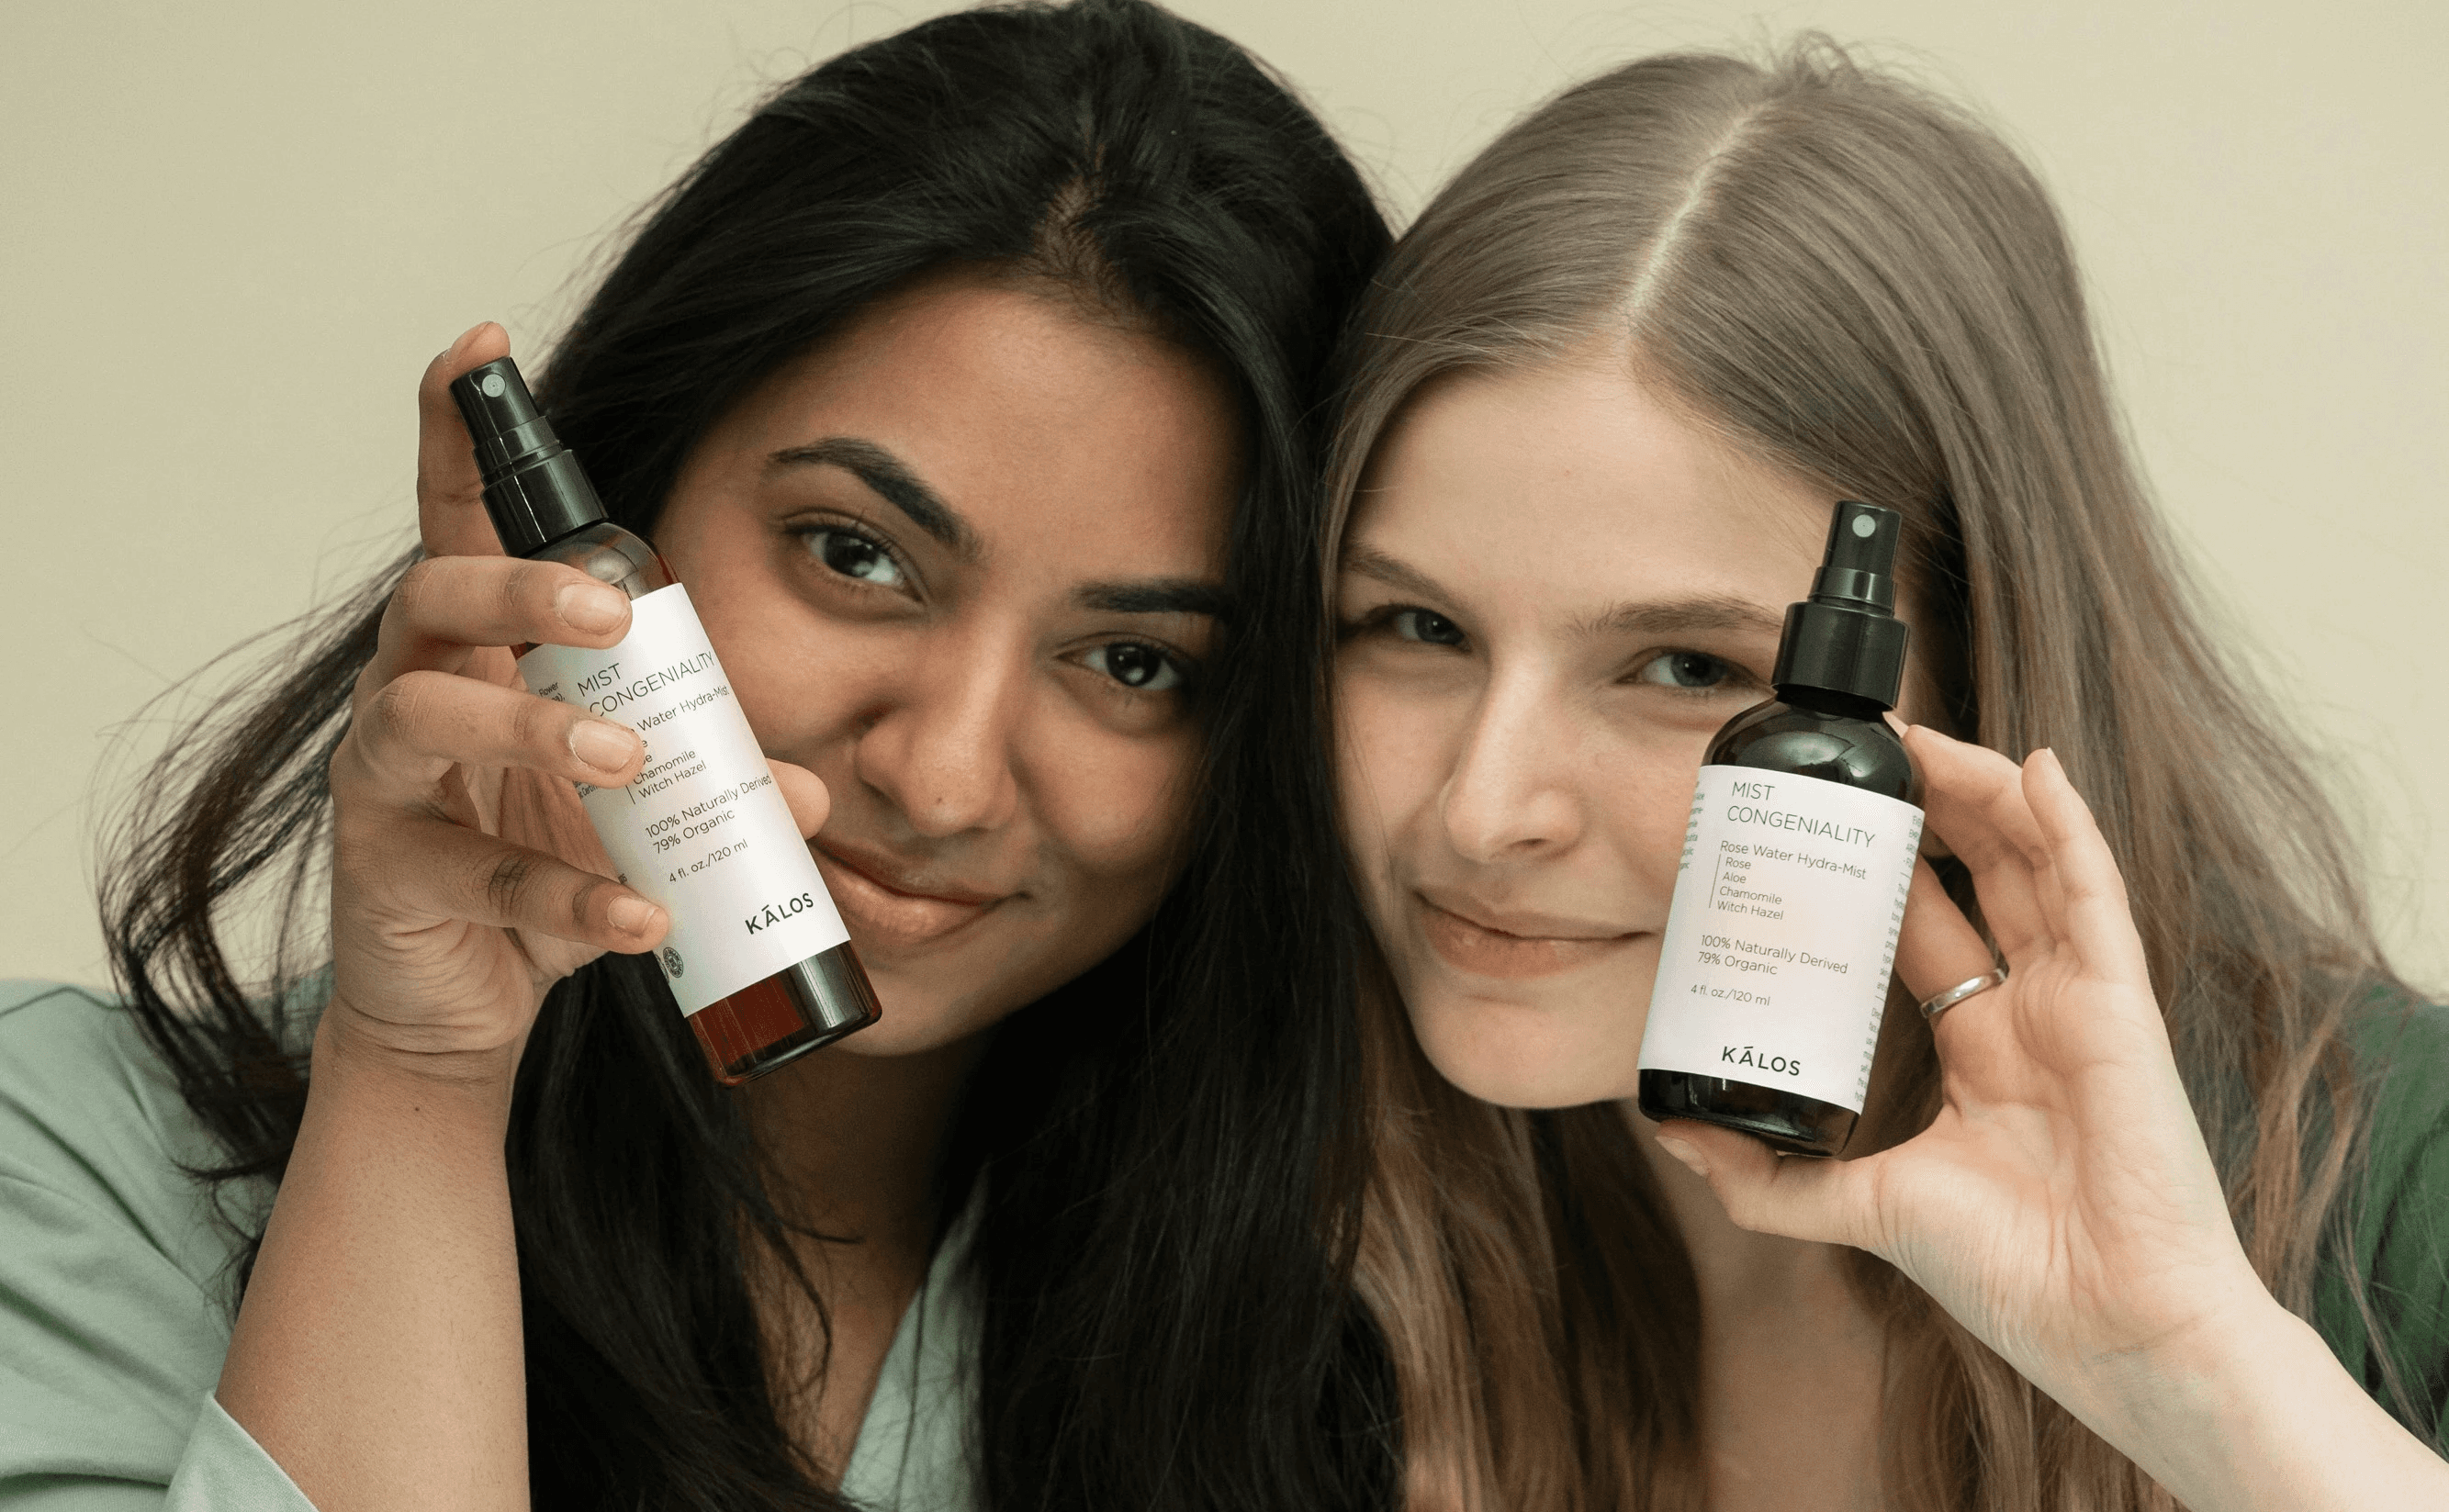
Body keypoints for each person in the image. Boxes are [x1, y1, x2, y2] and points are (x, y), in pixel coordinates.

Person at [0, 3, 1397, 1507]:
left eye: (1136, 665)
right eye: (854, 555)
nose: (941, 777)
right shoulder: (78, 1175)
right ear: (624, 493)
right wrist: (422, 1077)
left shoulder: (1349, 1325)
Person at [1322, 40, 2449, 1512]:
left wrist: (2196, 1372)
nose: (1480, 809)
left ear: (1970, 678)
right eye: (1416, 627)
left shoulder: (2398, 1186)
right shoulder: (1262, 1178)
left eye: (1683, 668)